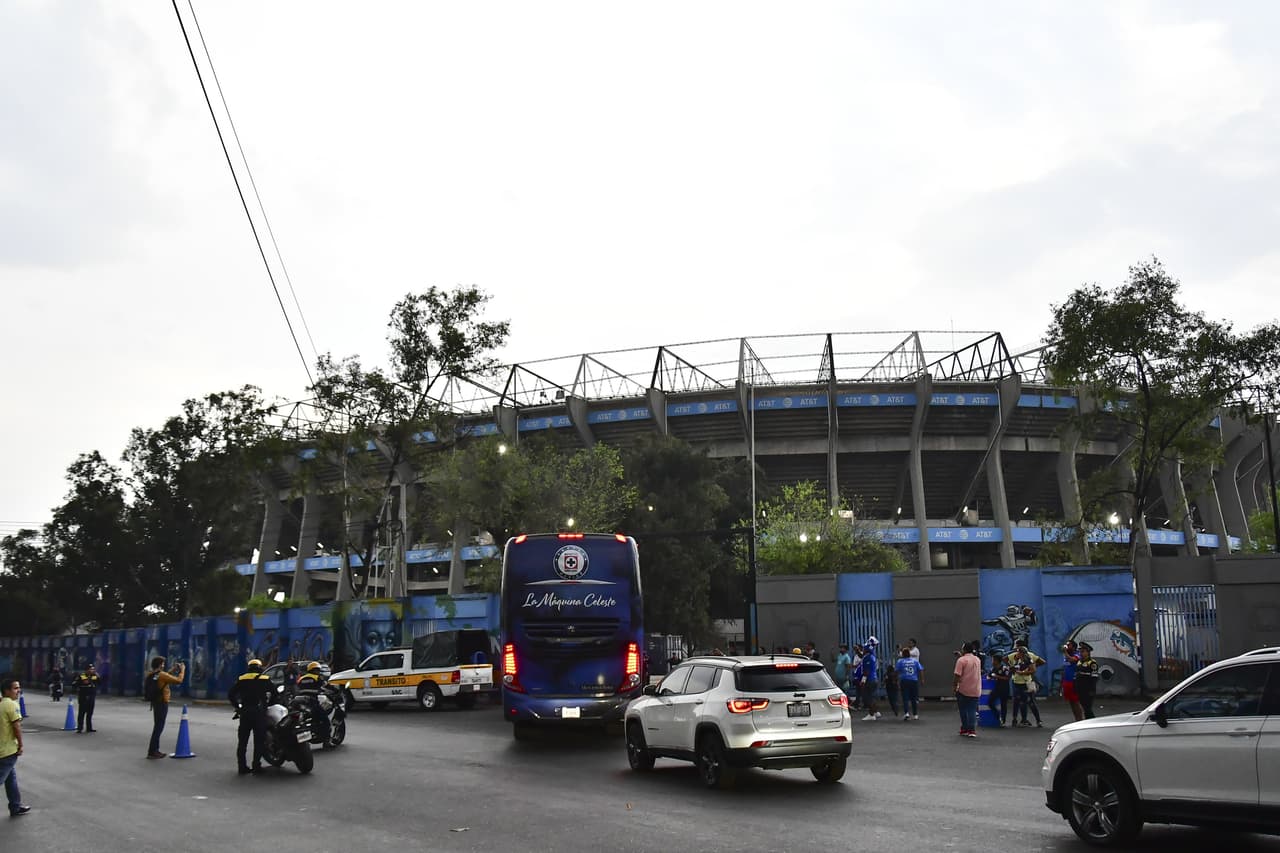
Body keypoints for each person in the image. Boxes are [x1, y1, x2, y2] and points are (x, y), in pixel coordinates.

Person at [228, 659, 273, 775]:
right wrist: (267, 705)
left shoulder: (242, 679)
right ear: (259, 668)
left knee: (242, 742)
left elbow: (231, 694)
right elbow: (275, 694)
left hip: (245, 712)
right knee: (259, 741)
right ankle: (256, 766)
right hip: (259, 713)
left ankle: (242, 767)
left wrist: (238, 706)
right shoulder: (265, 679)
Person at [1, 676, 31, 817]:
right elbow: (16, 726)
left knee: (10, 778)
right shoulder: (11, 705)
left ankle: (15, 806)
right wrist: (20, 745)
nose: (18, 691)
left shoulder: (1, 703)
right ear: (7, 691)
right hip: (7, 751)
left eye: (18, 688)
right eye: (15, 688)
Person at [146, 656, 186, 759]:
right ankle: (152, 751)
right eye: (163, 664)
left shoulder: (152, 674)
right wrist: (182, 670)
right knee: (159, 728)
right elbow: (178, 680)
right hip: (162, 703)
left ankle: (154, 750)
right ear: (160, 665)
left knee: (157, 726)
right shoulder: (161, 675)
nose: (163, 665)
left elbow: (165, 677)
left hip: (156, 703)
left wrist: (172, 670)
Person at [1009, 640, 1045, 728]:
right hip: (1017, 681)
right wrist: (1012, 669)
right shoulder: (1013, 656)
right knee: (1018, 701)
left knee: (1029, 701)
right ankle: (1019, 719)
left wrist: (1026, 671)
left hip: (1028, 681)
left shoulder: (1029, 656)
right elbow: (1006, 661)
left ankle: (1037, 720)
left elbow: (1036, 666)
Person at [294, 661, 330, 744]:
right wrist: (336, 690)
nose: (318, 672)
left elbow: (296, 688)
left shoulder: (301, 678)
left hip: (299, 701)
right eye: (317, 670)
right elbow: (327, 686)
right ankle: (326, 740)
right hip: (311, 701)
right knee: (325, 719)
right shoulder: (317, 678)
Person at [953, 642, 982, 738]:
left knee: (963, 709)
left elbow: (957, 674)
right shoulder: (977, 659)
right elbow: (969, 662)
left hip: (963, 688)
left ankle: (965, 728)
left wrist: (954, 685)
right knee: (972, 710)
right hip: (975, 688)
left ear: (964, 649)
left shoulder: (961, 660)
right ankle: (972, 730)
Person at [71, 663, 102, 733]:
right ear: (87, 670)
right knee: (82, 713)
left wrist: (98, 677)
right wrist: (81, 685)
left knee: (90, 713)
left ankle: (89, 727)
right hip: (83, 697)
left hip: (91, 696)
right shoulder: (82, 676)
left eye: (93, 669)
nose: (92, 670)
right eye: (91, 669)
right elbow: (74, 684)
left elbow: (99, 682)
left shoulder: (94, 676)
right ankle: (80, 728)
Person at [894, 647, 923, 720]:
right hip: (914, 680)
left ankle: (906, 713)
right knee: (914, 698)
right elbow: (921, 669)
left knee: (905, 697)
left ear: (903, 654)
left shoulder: (900, 661)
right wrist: (922, 679)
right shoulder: (915, 661)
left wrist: (896, 680)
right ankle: (915, 714)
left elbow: (896, 671)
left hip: (904, 680)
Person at [1075, 642, 1101, 719]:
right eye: (1080, 651)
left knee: (1087, 707)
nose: (1081, 653)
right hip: (1080, 688)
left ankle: (1092, 721)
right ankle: (1088, 720)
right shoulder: (1079, 662)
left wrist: (1092, 690)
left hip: (1088, 689)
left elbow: (1094, 677)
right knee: (1084, 707)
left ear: (1088, 652)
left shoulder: (1092, 663)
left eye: (1083, 651)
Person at [1060, 640, 1084, 721]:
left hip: (1074, 681)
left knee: (1076, 701)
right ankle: (1076, 718)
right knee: (1071, 702)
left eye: (1068, 645)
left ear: (1073, 647)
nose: (1066, 646)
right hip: (1066, 681)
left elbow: (1072, 660)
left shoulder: (1077, 654)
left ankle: (1080, 719)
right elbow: (1064, 668)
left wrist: (1065, 652)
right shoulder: (1066, 656)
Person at [859, 637, 881, 721]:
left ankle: (871, 715)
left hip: (869, 679)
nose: (863, 649)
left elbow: (866, 671)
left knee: (868, 698)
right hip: (874, 678)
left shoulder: (867, 657)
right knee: (872, 697)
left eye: (864, 648)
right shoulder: (872, 656)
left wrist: (863, 681)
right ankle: (875, 712)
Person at [987, 652, 1012, 727]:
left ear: (997, 661)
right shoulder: (993, 669)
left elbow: (1007, 678)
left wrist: (997, 676)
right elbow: (989, 675)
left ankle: (1003, 720)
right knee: (990, 702)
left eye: (993, 660)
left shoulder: (1004, 668)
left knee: (1003, 704)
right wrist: (989, 677)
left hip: (1004, 688)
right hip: (996, 688)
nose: (992, 662)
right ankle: (998, 715)